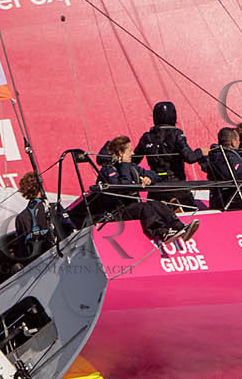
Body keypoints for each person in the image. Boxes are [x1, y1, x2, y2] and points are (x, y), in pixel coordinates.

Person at [70, 136, 199, 244]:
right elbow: (123, 187)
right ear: (121, 153)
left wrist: (149, 177)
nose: (132, 154)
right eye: (129, 151)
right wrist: (124, 164)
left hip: (130, 208)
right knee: (144, 207)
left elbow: (154, 174)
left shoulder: (132, 167)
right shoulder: (108, 170)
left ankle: (179, 227)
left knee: (155, 203)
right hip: (116, 213)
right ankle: (162, 232)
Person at [135, 101, 205, 208]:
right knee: (190, 210)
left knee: (157, 212)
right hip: (176, 185)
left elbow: (134, 160)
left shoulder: (147, 136)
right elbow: (190, 157)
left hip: (155, 186)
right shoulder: (176, 134)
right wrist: (201, 152)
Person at [12, 171, 71, 260]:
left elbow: (22, 251)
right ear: (40, 187)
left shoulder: (20, 218)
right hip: (60, 257)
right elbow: (70, 230)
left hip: (37, 264)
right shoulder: (54, 208)